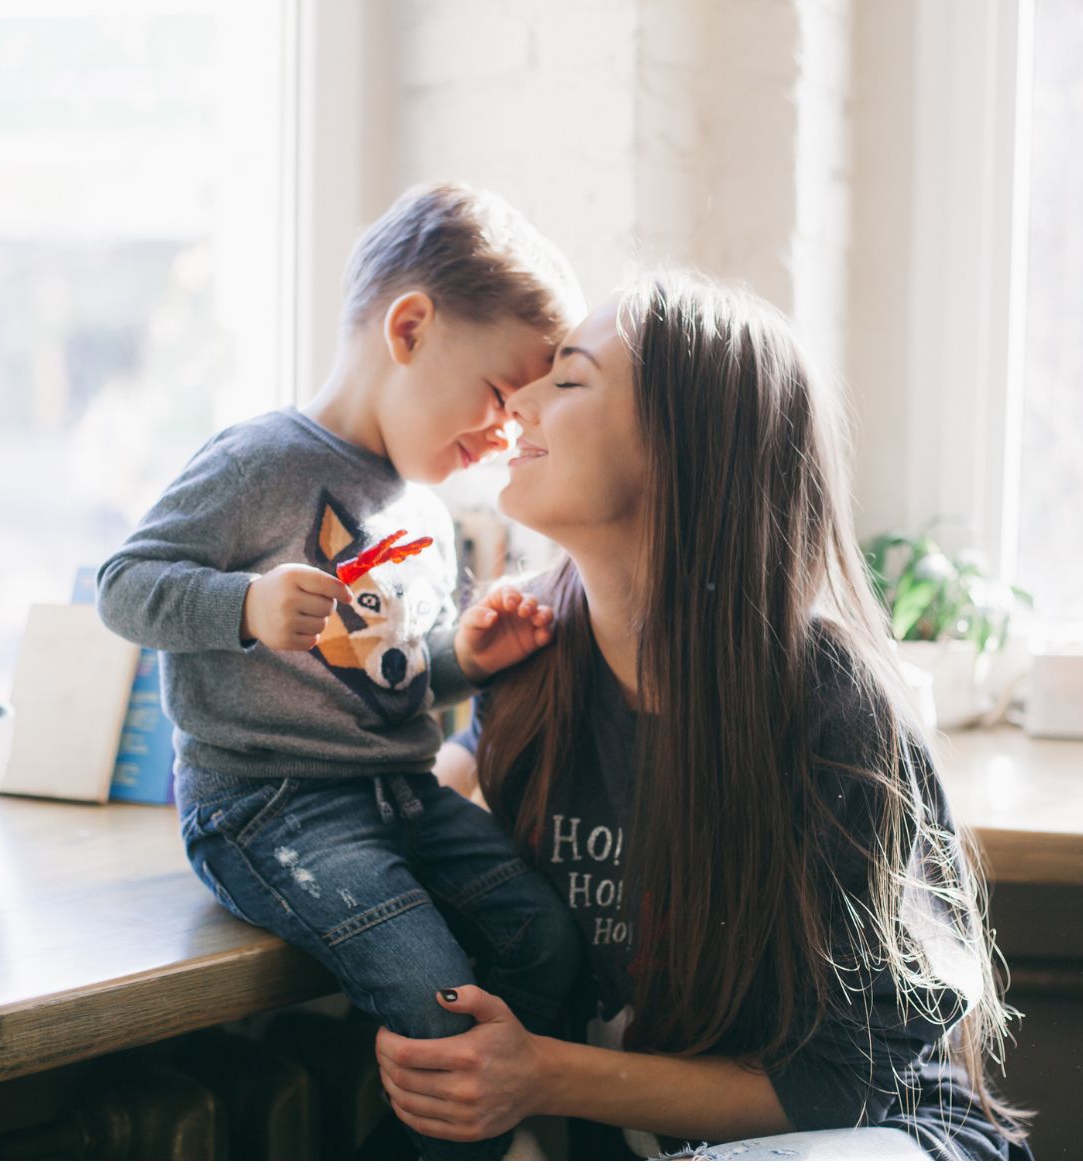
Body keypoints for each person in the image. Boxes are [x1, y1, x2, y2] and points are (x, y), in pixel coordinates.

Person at [376, 272, 1034, 1160]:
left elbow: (843, 1081)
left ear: (687, 449)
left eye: (568, 380)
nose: (517, 403)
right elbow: (446, 781)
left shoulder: (838, 715)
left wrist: (542, 1075)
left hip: (870, 1137)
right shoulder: (529, 672)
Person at [96, 182, 586, 1160]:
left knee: (549, 948)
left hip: (396, 793)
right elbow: (124, 584)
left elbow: (395, 681)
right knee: (437, 1001)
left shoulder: (428, 515)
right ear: (409, 327)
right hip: (264, 803)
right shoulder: (259, 462)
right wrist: (244, 607)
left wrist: (467, 658)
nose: (505, 437)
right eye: (500, 396)